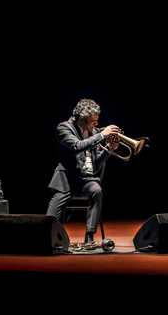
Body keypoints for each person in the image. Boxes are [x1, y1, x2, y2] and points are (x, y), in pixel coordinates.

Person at [47, 99, 121, 245]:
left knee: (97, 190)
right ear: (81, 119)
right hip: (66, 180)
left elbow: (95, 165)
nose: (96, 125)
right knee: (50, 220)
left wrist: (109, 149)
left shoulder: (92, 132)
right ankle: (56, 240)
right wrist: (101, 136)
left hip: (85, 180)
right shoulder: (64, 127)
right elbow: (76, 145)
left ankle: (89, 237)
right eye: (93, 121)